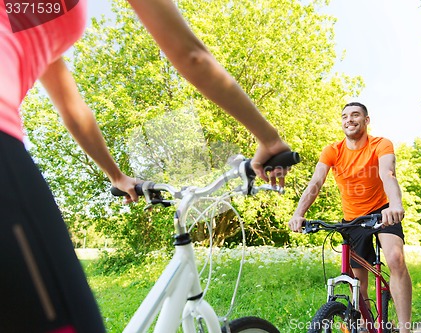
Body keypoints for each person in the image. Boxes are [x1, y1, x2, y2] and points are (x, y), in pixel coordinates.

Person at [0, 1, 290, 332]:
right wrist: (269, 140)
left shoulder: (28, 22)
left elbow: (74, 109)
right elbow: (191, 54)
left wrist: (118, 176)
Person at [288, 102, 412, 333]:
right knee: (358, 281)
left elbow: (388, 173)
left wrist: (395, 205)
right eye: (344, 116)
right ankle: (365, 326)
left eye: (355, 115)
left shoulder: (380, 144)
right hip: (353, 219)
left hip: (382, 212)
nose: (349, 119)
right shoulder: (332, 150)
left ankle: (405, 328)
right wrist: (299, 214)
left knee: (395, 259)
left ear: (366, 120)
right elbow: (316, 183)